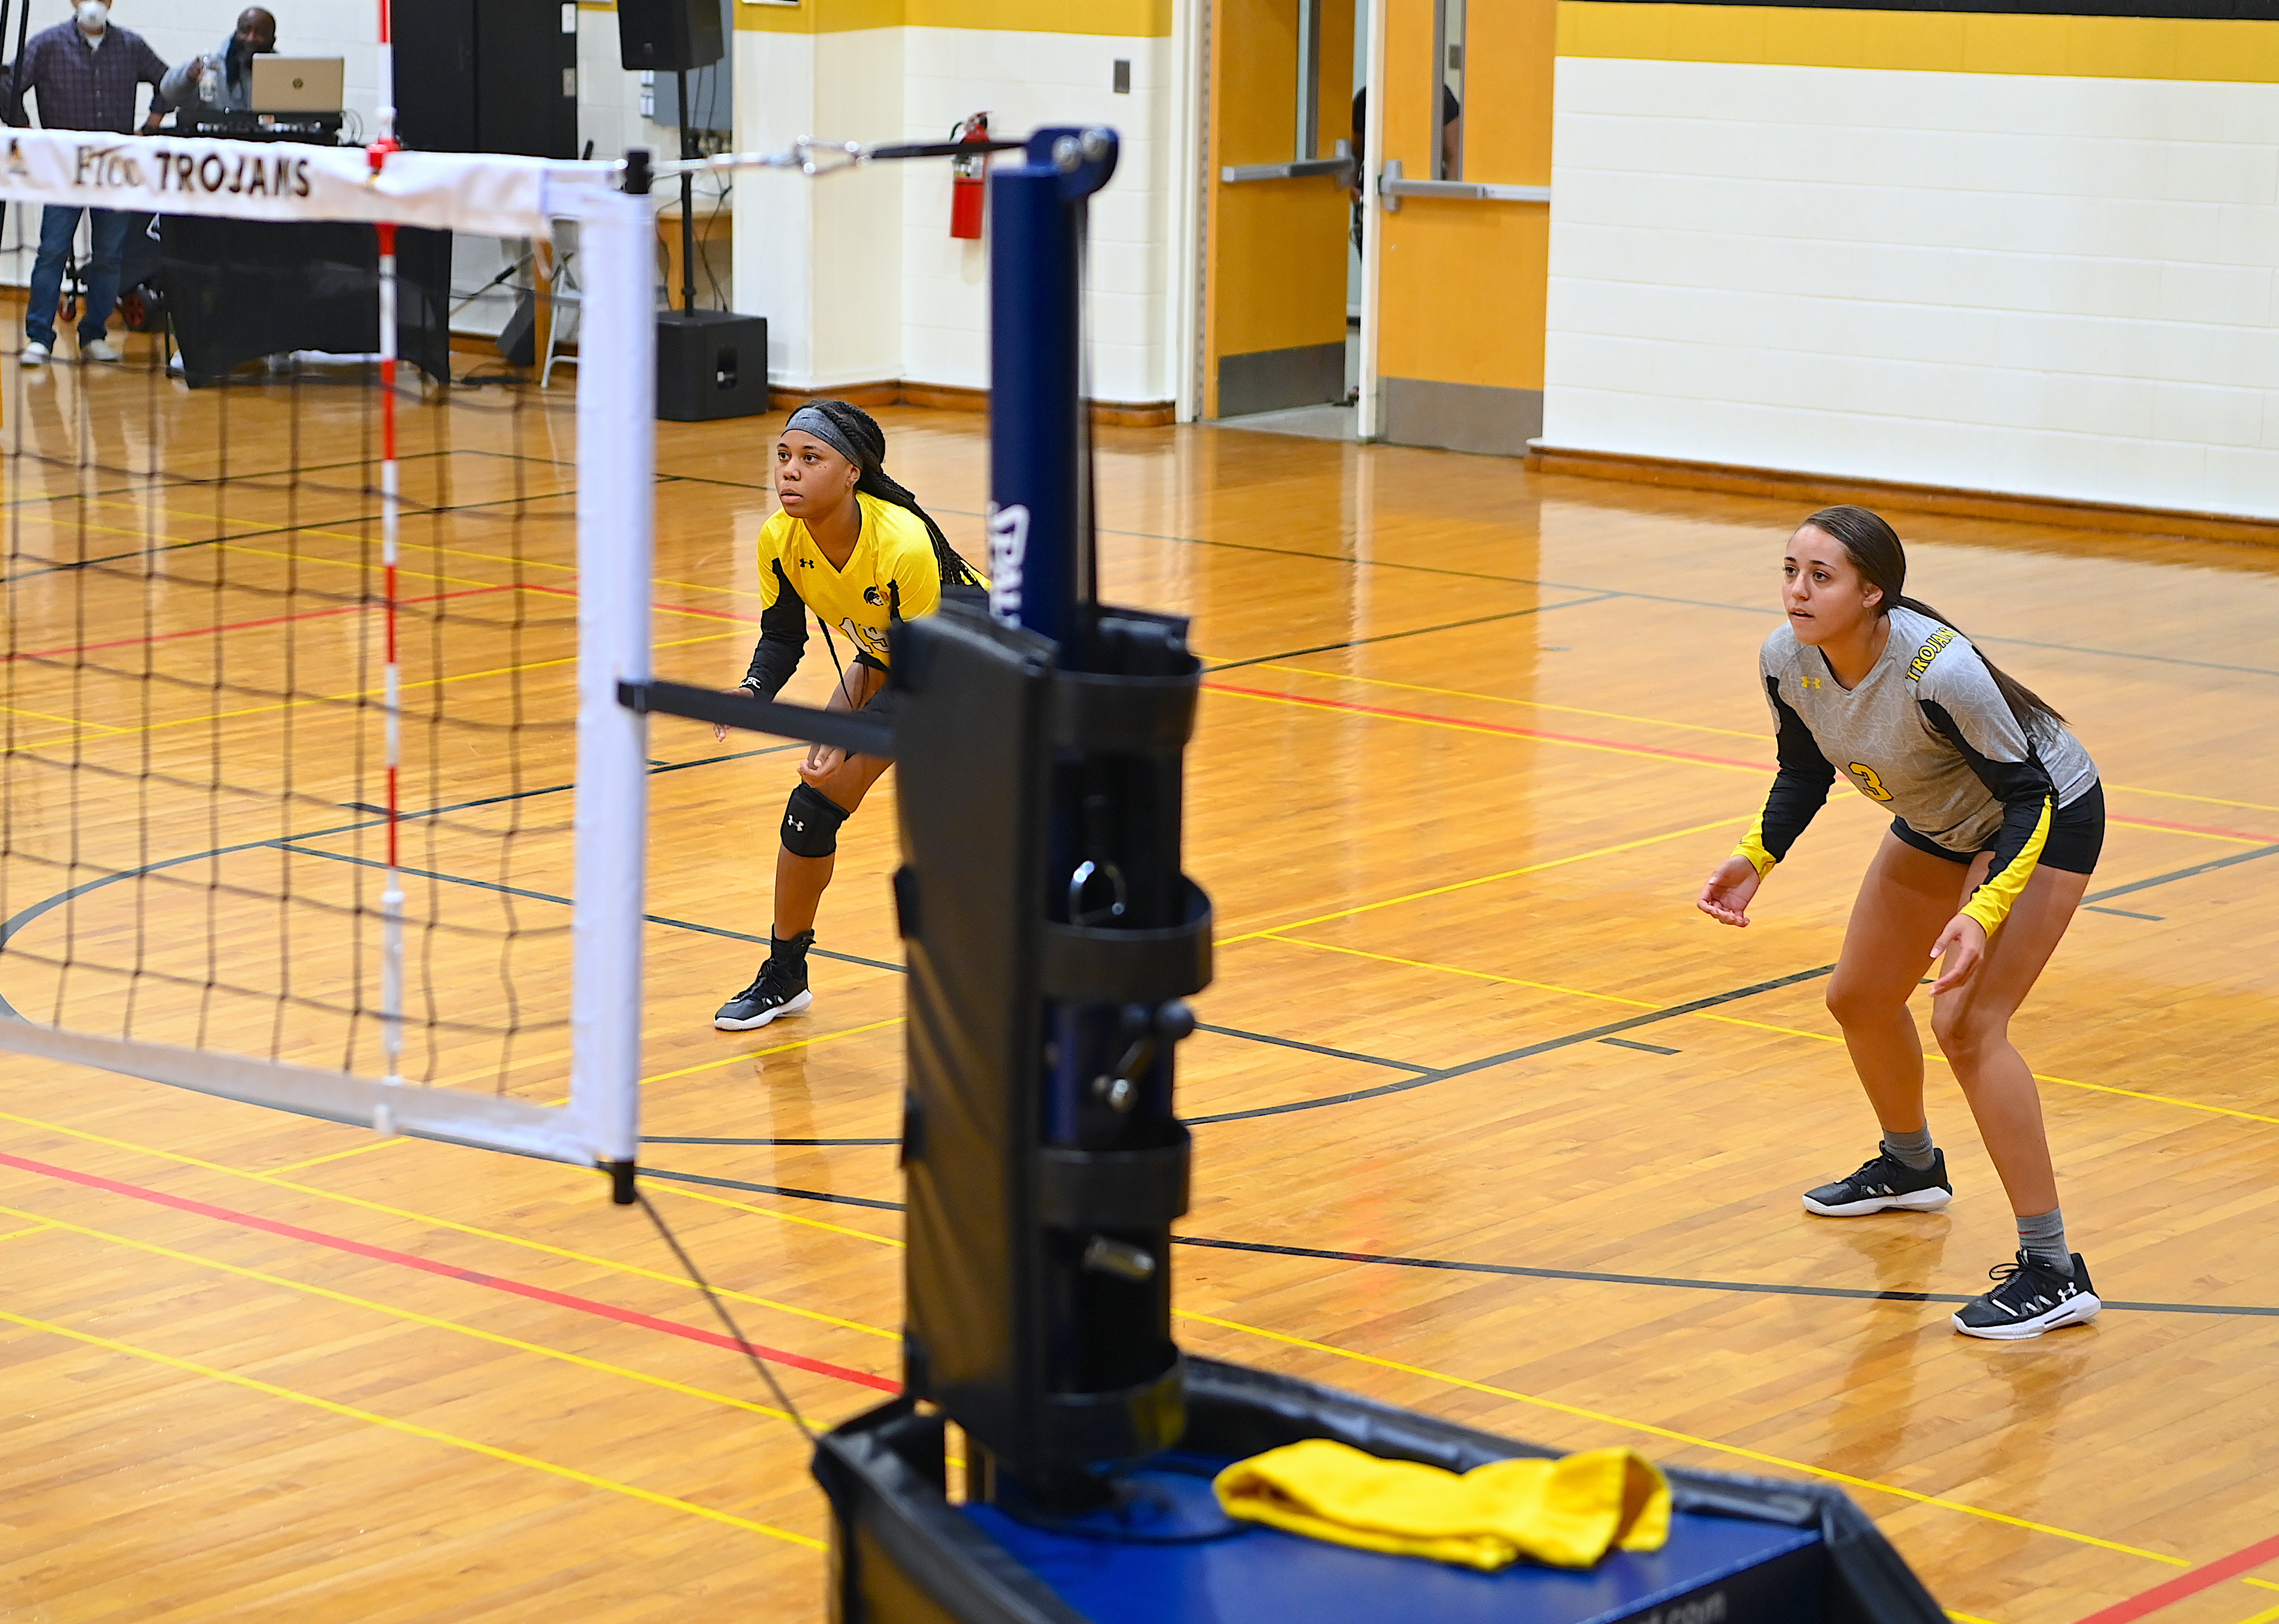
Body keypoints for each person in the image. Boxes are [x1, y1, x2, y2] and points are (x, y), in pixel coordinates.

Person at [1696, 505, 2106, 1341]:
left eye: (1822, 576)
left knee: (1966, 1023)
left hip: (2041, 815)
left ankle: (2055, 1268)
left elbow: (2028, 794)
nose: (1799, 591)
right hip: (1937, 818)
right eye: (1790, 571)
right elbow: (1803, 767)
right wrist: (1756, 856)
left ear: (1872, 592)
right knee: (1857, 998)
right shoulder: (1787, 658)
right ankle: (1912, 1166)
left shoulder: (1939, 670)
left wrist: (1982, 912)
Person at [712, 401, 983, 1033]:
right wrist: (753, 689)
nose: (790, 472)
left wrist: (849, 731)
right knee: (812, 806)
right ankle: (785, 976)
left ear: (853, 473)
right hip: (894, 661)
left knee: (981, 835)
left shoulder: (903, 543)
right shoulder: (779, 540)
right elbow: (782, 637)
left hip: (972, 673)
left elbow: (926, 675)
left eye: (811, 459)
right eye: (783, 456)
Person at [3, 0, 171, 366]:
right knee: (52, 252)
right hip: (64, 170)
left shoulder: (131, 45)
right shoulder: (47, 44)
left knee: (109, 257)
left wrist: (151, 126)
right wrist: (28, 132)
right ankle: (39, 339)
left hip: (114, 170)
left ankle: (95, 334)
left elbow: (168, 81)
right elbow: (9, 85)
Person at [157, 6, 275, 117]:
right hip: (214, 138)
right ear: (236, 33)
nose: (251, 38)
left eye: (260, 33)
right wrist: (187, 77)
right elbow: (168, 93)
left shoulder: (280, 73)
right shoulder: (212, 66)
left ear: (272, 40)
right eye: (245, 31)